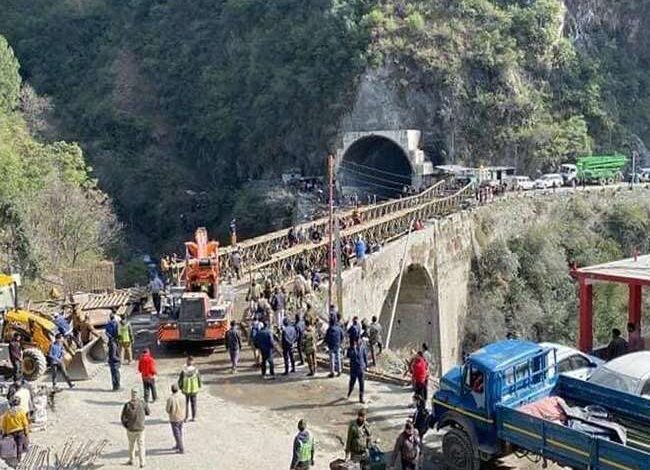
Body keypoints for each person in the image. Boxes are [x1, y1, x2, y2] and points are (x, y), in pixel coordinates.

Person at [121, 388, 149, 468]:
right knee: (141, 445)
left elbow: (123, 418)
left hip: (131, 428)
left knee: (131, 445)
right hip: (140, 428)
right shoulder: (142, 403)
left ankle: (131, 460)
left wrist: (127, 425)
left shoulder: (127, 405)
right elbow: (148, 412)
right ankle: (142, 462)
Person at [1, 396, 29, 462]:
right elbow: (25, 423)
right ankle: (19, 459)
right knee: (19, 445)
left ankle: (12, 458)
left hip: (10, 432)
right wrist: (26, 433)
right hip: (20, 431)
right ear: (19, 403)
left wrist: (4, 433)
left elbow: (4, 425)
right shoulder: (21, 412)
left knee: (12, 445)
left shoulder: (7, 413)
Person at [178, 356, 202, 421]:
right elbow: (199, 379)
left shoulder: (184, 371)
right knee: (194, 403)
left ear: (187, 362)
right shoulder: (196, 370)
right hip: (194, 389)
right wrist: (199, 385)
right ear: (193, 362)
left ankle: (186, 417)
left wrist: (180, 387)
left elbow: (180, 380)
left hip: (186, 389)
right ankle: (194, 417)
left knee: (186, 404)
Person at [165, 384, 185, 454]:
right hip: (181, 416)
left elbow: (167, 409)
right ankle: (178, 444)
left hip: (174, 418)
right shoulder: (182, 396)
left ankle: (181, 448)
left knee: (176, 433)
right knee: (180, 431)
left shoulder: (170, 399)